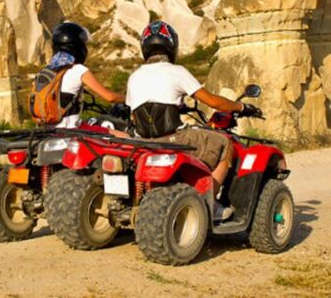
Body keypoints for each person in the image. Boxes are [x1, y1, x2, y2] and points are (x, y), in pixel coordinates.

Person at [126, 21, 259, 220]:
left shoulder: (134, 76)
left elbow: (134, 115)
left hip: (146, 142)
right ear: (172, 46)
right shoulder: (177, 71)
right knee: (225, 144)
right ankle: (211, 204)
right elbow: (213, 102)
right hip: (176, 138)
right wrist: (241, 107)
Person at [46, 22, 125, 128]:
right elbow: (109, 97)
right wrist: (129, 98)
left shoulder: (48, 71)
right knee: (123, 135)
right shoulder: (78, 70)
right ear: (76, 47)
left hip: (50, 130)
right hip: (70, 130)